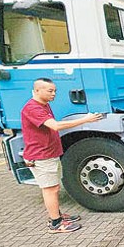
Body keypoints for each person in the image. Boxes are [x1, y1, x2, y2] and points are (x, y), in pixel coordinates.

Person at [21, 78, 102, 233]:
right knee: (50, 189)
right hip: (41, 156)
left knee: (54, 187)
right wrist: (85, 120)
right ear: (37, 90)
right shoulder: (33, 108)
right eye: (50, 91)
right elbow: (56, 126)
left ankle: (57, 214)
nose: (54, 94)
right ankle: (55, 223)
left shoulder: (44, 105)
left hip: (49, 153)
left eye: (55, 91)